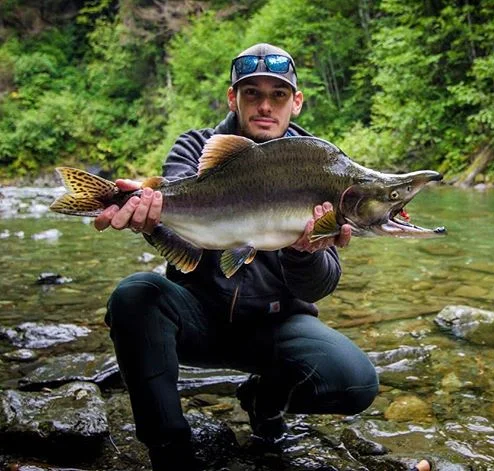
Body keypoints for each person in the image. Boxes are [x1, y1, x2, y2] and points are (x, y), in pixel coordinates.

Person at [96, 43, 379, 471]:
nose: (265, 105)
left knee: (357, 382)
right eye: (252, 94)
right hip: (196, 317)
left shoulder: (323, 165)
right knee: (135, 294)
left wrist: (303, 253)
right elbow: (185, 241)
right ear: (233, 98)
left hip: (275, 325)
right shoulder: (195, 147)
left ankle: (263, 402)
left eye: (278, 95)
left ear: (296, 103)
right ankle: (171, 453)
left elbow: (321, 284)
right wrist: (150, 219)